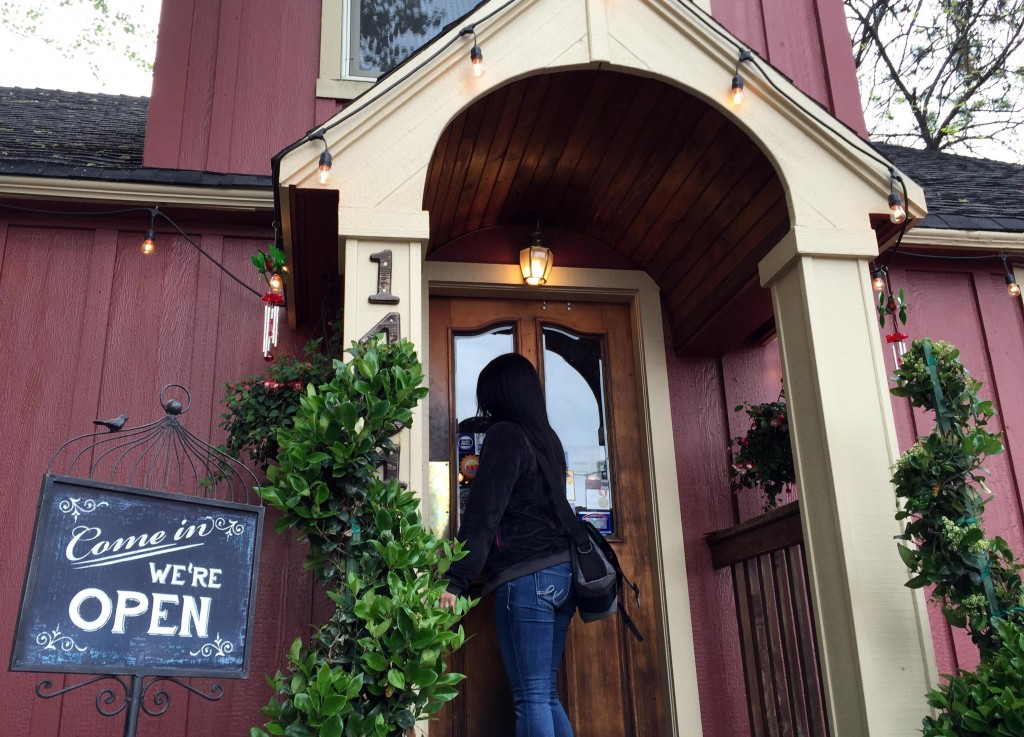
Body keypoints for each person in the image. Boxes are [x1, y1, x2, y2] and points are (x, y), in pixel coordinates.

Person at [440, 353, 576, 737]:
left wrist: (456, 579)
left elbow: (486, 510)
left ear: (497, 394)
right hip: (563, 576)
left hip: (527, 576)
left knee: (531, 697)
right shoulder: (547, 438)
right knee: (545, 693)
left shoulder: (505, 435)